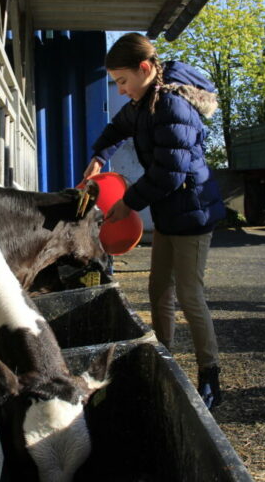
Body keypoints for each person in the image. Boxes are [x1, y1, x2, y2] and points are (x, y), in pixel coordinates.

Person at [82, 33, 226, 409]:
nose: (121, 90)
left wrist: (128, 203)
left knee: (191, 297)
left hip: (193, 215)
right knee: (159, 289)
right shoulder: (144, 100)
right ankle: (165, 359)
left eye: (123, 81)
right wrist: (100, 154)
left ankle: (210, 375)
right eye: (116, 83)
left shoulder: (172, 107)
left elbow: (170, 172)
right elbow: (118, 126)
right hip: (168, 213)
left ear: (145, 69)